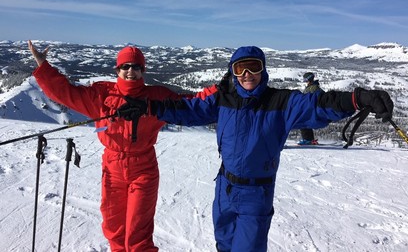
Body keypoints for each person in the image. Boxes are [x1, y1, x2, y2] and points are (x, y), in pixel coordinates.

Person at [123, 46, 393, 252]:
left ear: (263, 70)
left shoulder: (280, 102)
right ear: (232, 72)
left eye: (253, 67)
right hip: (225, 188)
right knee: (224, 245)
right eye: (240, 69)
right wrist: (149, 107)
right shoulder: (223, 99)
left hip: (256, 192)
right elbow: (188, 110)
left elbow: (317, 104)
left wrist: (357, 99)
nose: (247, 75)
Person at [28, 40, 195, 252]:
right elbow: (66, 93)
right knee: (114, 229)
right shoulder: (102, 95)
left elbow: (191, 104)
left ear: (143, 70)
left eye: (136, 67)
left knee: (138, 236)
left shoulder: (157, 97)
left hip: (143, 168)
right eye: (125, 66)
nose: (130, 71)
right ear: (118, 69)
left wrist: (221, 94)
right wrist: (43, 66)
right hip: (112, 168)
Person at [297, 72, 323, 145]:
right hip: (311, 108)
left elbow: (307, 98)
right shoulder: (312, 86)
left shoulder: (313, 88)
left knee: (303, 121)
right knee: (305, 121)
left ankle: (307, 139)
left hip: (312, 109)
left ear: (308, 78)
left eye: (305, 79)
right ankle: (309, 139)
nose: (304, 81)